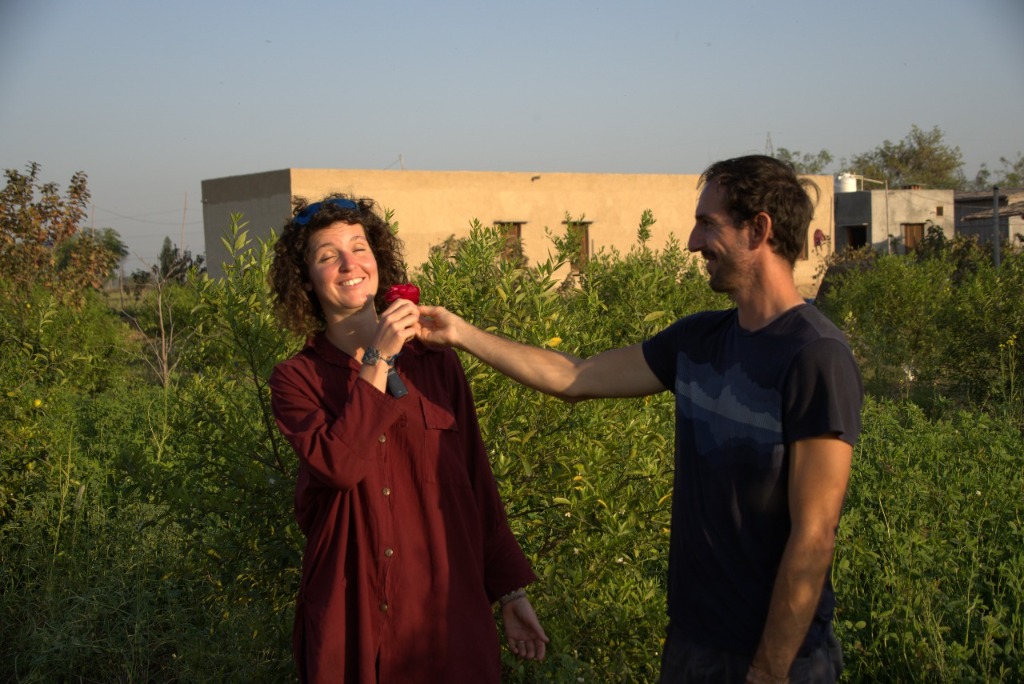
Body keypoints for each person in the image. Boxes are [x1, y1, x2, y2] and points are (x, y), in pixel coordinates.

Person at [417, 155, 863, 684]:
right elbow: (575, 378)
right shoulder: (698, 341)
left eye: (707, 223)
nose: (694, 243)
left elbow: (815, 534)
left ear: (759, 229)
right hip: (692, 643)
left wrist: (768, 671)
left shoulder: (814, 355)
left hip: (780, 658)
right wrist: (462, 333)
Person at [268, 194, 548, 683]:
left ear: (379, 261)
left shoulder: (436, 361)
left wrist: (510, 591)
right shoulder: (297, 380)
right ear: (307, 281)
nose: (349, 264)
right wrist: (377, 360)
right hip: (352, 615)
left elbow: (476, 483)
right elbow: (339, 466)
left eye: (359, 248)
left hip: (446, 611)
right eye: (327, 256)